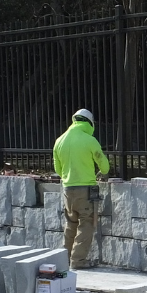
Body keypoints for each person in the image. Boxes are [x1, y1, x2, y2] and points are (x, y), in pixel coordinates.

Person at [52, 108, 109, 268]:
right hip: (86, 190)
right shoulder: (89, 140)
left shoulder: (59, 140)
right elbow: (104, 167)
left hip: (67, 190)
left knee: (71, 224)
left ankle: (65, 259)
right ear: (90, 123)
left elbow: (58, 170)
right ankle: (78, 261)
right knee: (87, 223)